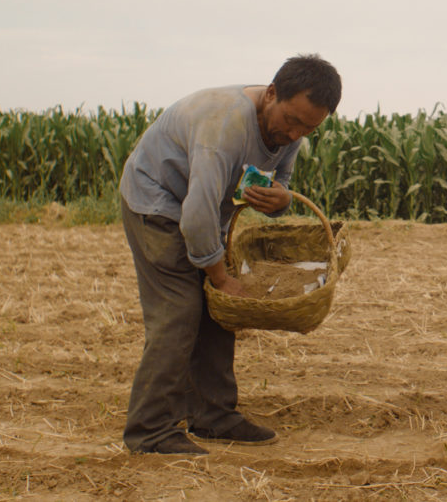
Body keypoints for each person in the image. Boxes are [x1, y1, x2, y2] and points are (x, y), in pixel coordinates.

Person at [118, 54, 342, 455]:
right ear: (271, 94)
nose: (294, 134)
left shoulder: (290, 132)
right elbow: (197, 215)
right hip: (156, 204)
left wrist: (282, 199)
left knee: (217, 312)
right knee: (180, 311)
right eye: (291, 121)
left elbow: (278, 183)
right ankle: (149, 431)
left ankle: (213, 416)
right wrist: (220, 277)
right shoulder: (224, 125)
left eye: (308, 128)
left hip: (201, 212)